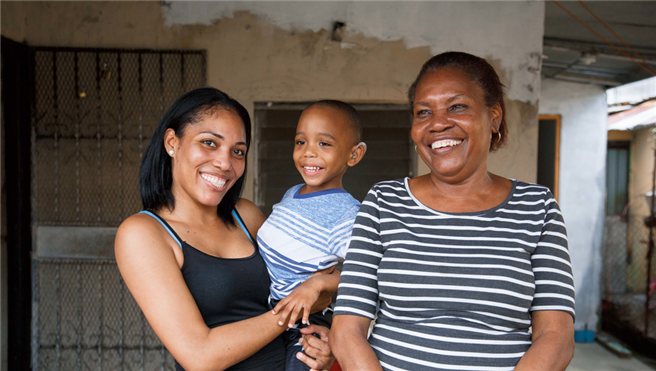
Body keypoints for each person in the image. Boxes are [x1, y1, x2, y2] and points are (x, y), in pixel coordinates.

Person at [329, 52, 576, 371]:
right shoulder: (383, 202)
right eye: (423, 112)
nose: (437, 123)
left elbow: (556, 336)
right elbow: (347, 329)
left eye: (457, 106)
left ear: (495, 117)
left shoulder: (537, 207)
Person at [115, 87, 335, 371]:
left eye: (238, 151)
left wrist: (320, 347)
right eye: (209, 143)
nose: (224, 163)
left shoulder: (246, 215)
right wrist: (292, 311)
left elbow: (317, 289)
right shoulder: (143, 233)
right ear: (172, 142)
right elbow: (199, 356)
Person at [258, 100, 367, 371]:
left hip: (306, 326)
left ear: (354, 155)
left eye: (324, 144)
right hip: (265, 317)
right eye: (300, 142)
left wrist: (317, 284)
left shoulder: (347, 214)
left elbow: (369, 274)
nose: (308, 153)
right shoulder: (292, 193)